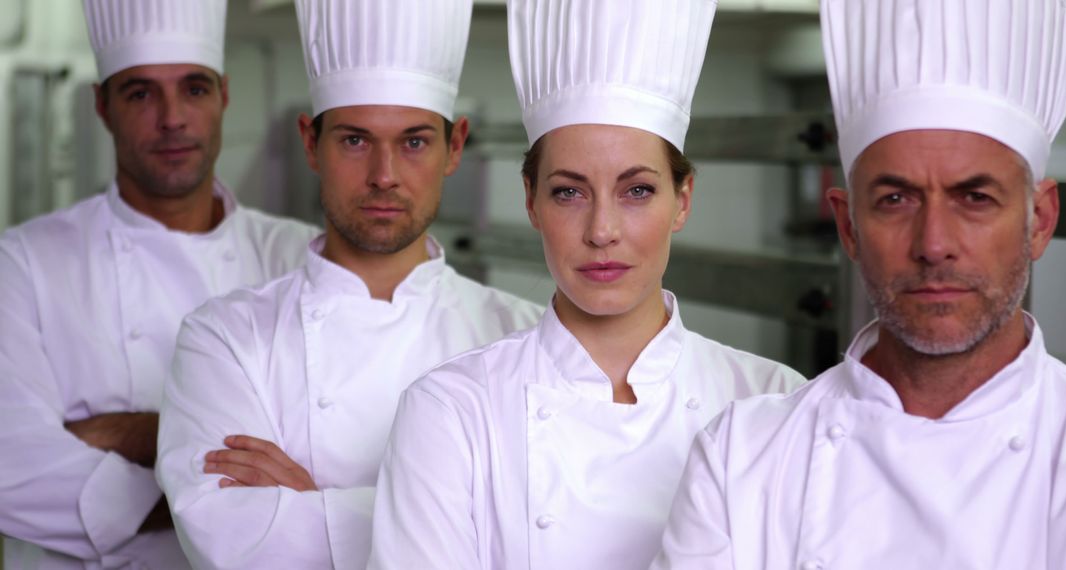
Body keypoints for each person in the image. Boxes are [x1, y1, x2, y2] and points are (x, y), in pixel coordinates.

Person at [367, 1, 805, 568]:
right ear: (531, 202)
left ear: (684, 200)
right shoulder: (453, 410)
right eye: (569, 192)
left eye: (638, 190)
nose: (602, 231)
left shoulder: (773, 400)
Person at [652, 0, 1066, 568]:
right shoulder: (741, 457)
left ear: (1040, 221)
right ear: (849, 226)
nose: (933, 243)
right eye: (895, 199)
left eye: (974, 198)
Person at [154, 0, 542, 567]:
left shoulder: (524, 338)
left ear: (455, 146)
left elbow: (546, 536)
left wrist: (312, 506)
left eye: (413, 142)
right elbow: (232, 542)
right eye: (356, 140)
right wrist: (455, 517)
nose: (384, 175)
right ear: (311, 142)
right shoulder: (225, 338)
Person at [0, 0, 318, 568]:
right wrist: (230, 488)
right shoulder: (22, 264)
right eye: (140, 93)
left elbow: (333, 449)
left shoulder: (300, 258)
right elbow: (11, 466)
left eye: (193, 89)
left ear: (223, 95)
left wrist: (129, 436)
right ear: (102, 106)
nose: (172, 117)